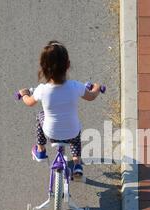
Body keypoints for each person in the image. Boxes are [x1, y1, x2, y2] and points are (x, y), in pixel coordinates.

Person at [18, 41, 102, 177]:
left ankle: (40, 150)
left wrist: (24, 94)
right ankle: (77, 164)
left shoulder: (42, 90)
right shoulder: (76, 86)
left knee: (40, 115)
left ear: (44, 68)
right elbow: (91, 96)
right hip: (72, 131)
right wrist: (97, 88)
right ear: (68, 65)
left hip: (50, 132)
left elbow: (29, 102)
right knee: (76, 136)